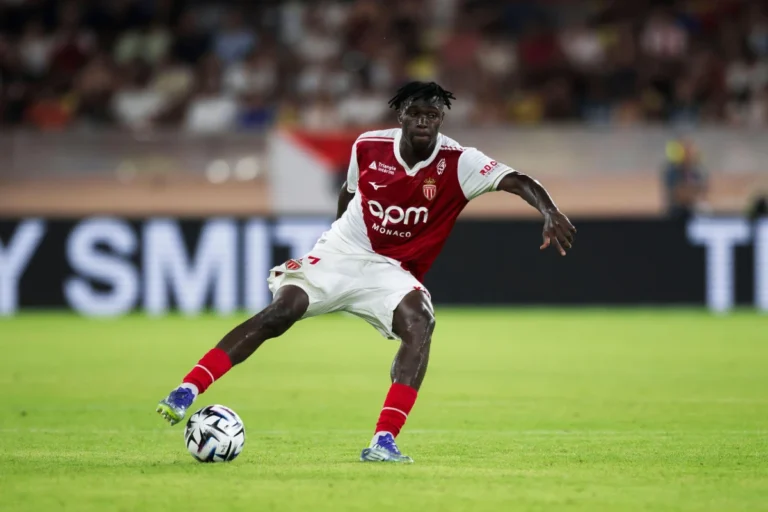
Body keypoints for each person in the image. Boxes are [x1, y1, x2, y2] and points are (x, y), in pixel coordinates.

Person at [156, 81, 576, 463]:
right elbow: (349, 192)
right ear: (402, 117)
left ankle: (384, 441)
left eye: (432, 115)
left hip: (390, 269)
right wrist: (333, 243)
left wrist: (549, 210)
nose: (424, 122)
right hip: (345, 248)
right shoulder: (369, 147)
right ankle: (186, 390)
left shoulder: (461, 162)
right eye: (416, 113)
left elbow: (517, 180)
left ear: (441, 120)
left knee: (421, 323)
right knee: (282, 312)